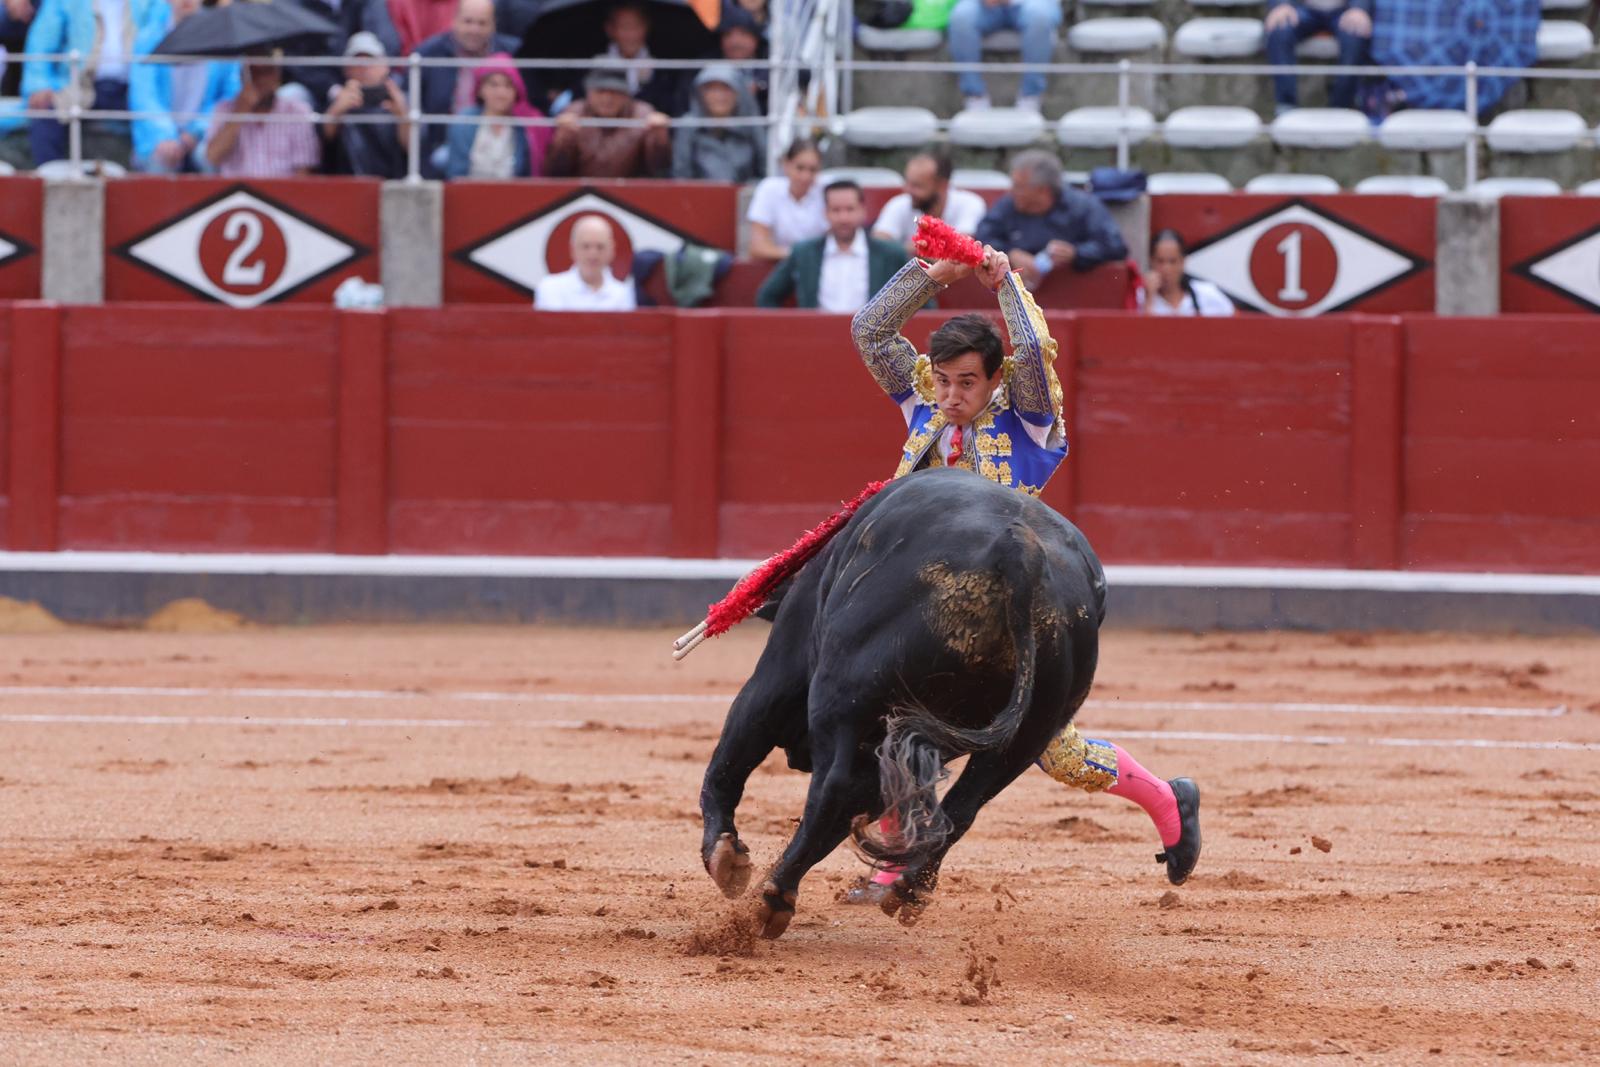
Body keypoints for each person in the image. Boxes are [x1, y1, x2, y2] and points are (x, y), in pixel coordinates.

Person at [843, 245, 1202, 903]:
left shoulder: (1025, 419)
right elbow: (870, 331)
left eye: (966, 383)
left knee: (1056, 752)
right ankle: (893, 866)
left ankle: (1167, 797)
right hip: (925, 604)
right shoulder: (924, 403)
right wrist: (929, 276)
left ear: (995, 379)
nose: (951, 396)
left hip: (1007, 608)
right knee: (891, 722)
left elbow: (1033, 351)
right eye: (942, 381)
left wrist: (1005, 281)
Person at [975, 149, 1129, 288]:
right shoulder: (1009, 204)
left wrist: (1076, 253)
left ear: (1042, 190)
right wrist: (1010, 253)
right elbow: (982, 236)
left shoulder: (1083, 207)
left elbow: (1115, 246)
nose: (1012, 191)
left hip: (1074, 293)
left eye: (1019, 186)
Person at [21, 0, 149, 167]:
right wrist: (39, 85)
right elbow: (42, 41)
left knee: (157, 123)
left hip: (136, 88)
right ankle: (51, 178)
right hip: (81, 85)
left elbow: (158, 38)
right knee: (46, 116)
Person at [756, 180, 910, 312]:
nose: (843, 218)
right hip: (817, 335)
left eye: (850, 209)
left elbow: (919, 303)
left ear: (862, 211)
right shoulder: (804, 253)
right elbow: (767, 296)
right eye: (836, 210)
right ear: (825, 213)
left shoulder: (890, 254)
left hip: (871, 338)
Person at [128, 0, 240, 173]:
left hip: (208, 133)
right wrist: (166, 136)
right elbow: (144, 96)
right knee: (161, 161)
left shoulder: (221, 36)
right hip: (158, 138)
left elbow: (230, 94)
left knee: (211, 157)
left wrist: (198, 130)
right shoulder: (148, 38)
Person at [415, 0, 519, 176]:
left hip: (499, 135)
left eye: (482, 23)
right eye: (468, 21)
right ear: (454, 21)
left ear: (494, 25)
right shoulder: (428, 53)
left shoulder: (513, 53)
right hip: (442, 142)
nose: (474, 30)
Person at [203, 53, 322, 178]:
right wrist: (240, 112)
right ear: (243, 77)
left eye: (266, 72)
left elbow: (303, 170)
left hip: (282, 189)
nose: (260, 79)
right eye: (254, 72)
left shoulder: (296, 112)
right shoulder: (224, 110)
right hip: (237, 189)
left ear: (277, 76)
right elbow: (213, 157)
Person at [543, 65, 671, 178]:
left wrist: (659, 137)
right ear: (588, 93)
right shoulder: (574, 113)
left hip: (630, 191)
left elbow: (660, 171)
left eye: (615, 92)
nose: (607, 99)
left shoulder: (642, 115)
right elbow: (554, 173)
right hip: (581, 192)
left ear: (626, 95)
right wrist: (563, 138)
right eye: (601, 91)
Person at [320, 31, 411, 178]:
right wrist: (336, 111)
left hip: (393, 182)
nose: (363, 68)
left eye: (370, 60)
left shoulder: (401, 99)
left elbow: (415, 151)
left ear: (385, 66)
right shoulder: (339, 100)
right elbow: (323, 145)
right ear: (346, 69)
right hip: (349, 182)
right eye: (357, 62)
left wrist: (403, 116)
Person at [445, 53, 550, 179]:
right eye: (494, 85)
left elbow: (526, 174)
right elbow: (456, 175)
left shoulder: (525, 127)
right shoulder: (464, 122)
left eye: (508, 86)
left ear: (516, 91)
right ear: (480, 89)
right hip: (470, 189)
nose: (501, 93)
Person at [945, 0, 1062, 112]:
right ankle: (974, 95)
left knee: (1040, 17)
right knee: (961, 18)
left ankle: (1031, 95)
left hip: (1030, 3)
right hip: (982, 5)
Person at [871, 149, 989, 256]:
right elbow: (878, 244)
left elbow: (961, 249)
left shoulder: (970, 204)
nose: (907, 190)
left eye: (917, 186)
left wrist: (908, 249)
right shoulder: (899, 203)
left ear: (942, 186)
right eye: (907, 182)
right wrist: (933, 248)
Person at [1265, 0, 1373, 113]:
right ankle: (1286, 105)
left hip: (1344, 11)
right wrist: (1282, 5)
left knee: (1355, 33)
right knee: (1280, 29)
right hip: (1304, 9)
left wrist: (1359, 8)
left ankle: (1342, 107)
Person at [670, 63, 763, 182]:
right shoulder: (688, 126)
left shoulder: (752, 124)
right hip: (700, 192)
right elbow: (681, 176)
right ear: (700, 94)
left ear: (739, 93)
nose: (719, 96)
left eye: (726, 88)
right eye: (712, 89)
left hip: (747, 192)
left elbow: (766, 170)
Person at [745, 137, 826, 262]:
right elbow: (757, 247)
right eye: (800, 168)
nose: (806, 176)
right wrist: (798, 255)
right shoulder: (769, 189)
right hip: (779, 266)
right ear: (786, 165)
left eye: (813, 170)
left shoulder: (826, 191)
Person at [533, 214, 637, 311]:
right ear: (573, 249)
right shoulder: (550, 288)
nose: (593, 254)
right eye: (585, 246)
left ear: (611, 250)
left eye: (600, 247)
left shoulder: (623, 294)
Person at [602, 0, 688, 117]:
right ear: (610, 29)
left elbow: (671, 109)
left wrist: (648, 82)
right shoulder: (590, 66)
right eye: (624, 27)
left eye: (636, 26)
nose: (631, 34)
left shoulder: (664, 69)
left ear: (647, 26)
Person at [1139, 229, 1235, 317]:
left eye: (1172, 261)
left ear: (1183, 262)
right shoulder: (1140, 297)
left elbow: (1233, 320)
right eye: (1160, 261)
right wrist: (1149, 299)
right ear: (1151, 261)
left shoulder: (1207, 294)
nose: (1166, 269)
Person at [717, 3, 767, 112]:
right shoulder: (704, 66)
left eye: (743, 34)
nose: (735, 42)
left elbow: (802, 73)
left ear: (756, 39)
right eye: (728, 34)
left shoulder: (769, 63)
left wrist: (760, 84)